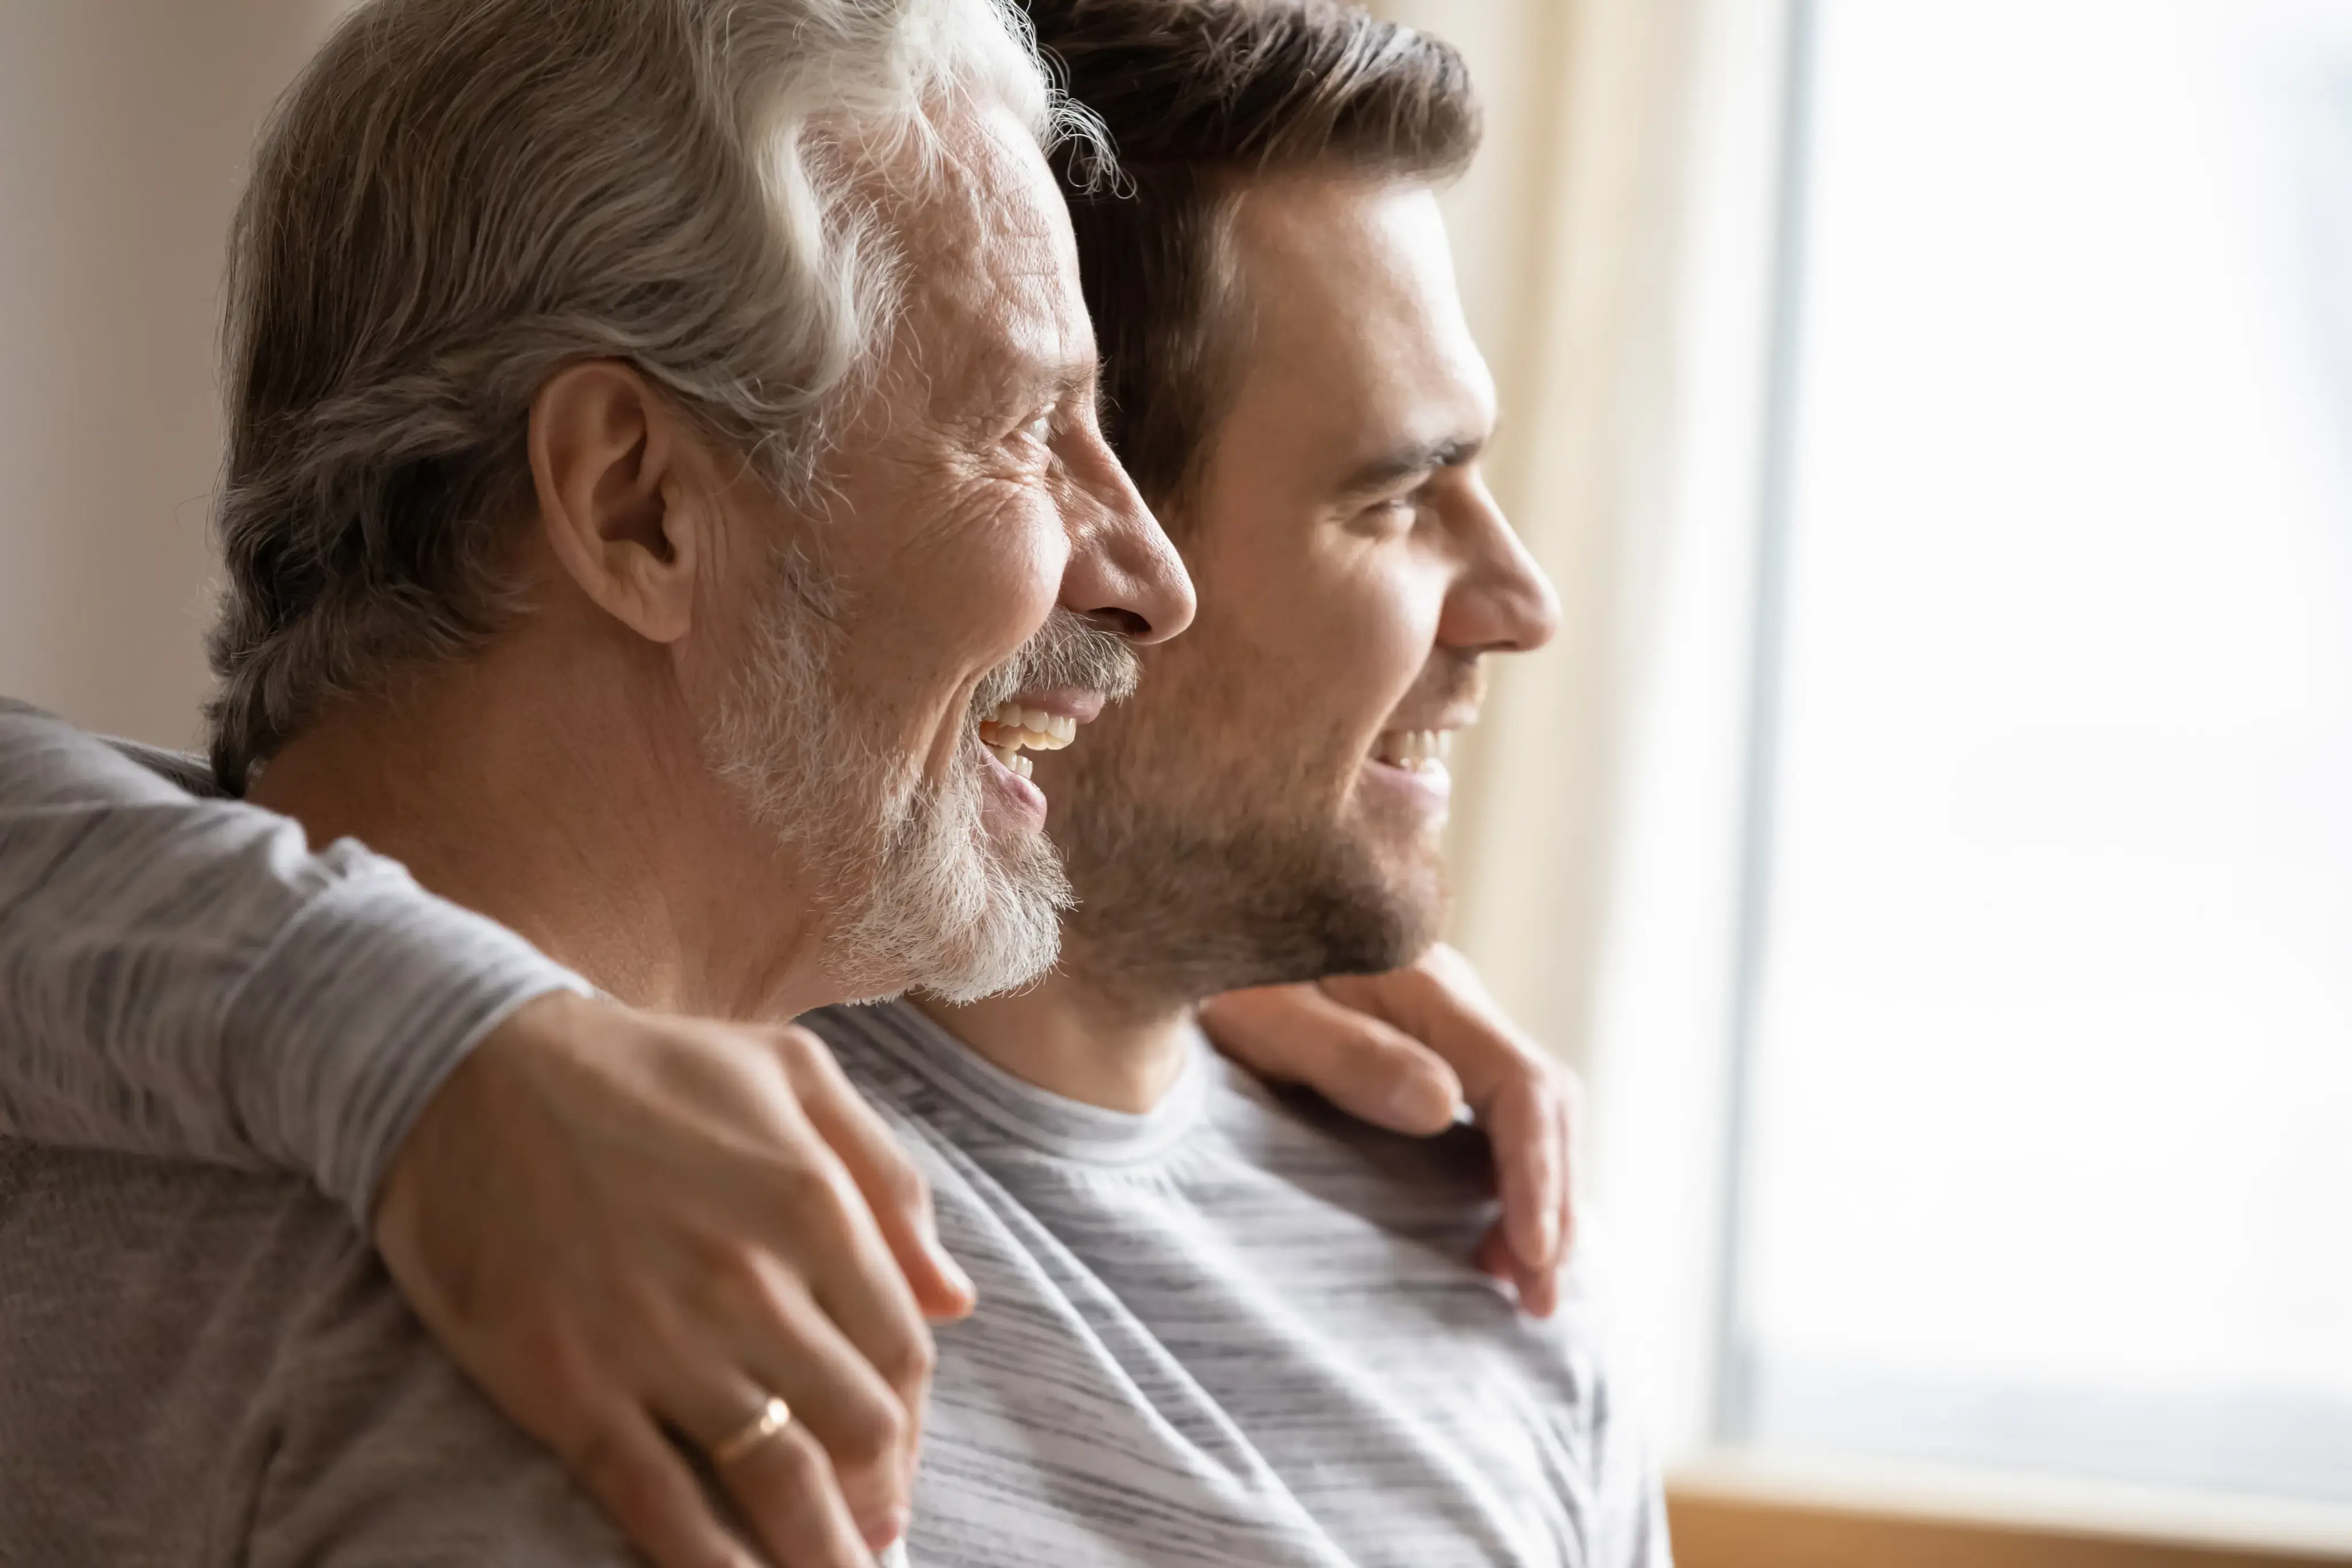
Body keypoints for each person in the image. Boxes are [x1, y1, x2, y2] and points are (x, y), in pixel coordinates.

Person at [0, 0, 1581, 1564]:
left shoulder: (116, 1025)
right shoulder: (616, 1324)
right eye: (1034, 429)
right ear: (638, 508)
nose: (1149, 580)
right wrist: (442, 1049)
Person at [788, 0, 1668, 1561]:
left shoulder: (1491, 1248)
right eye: (1396, 502)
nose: (1522, 603)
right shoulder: (654, 1229)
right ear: (1086, 552)